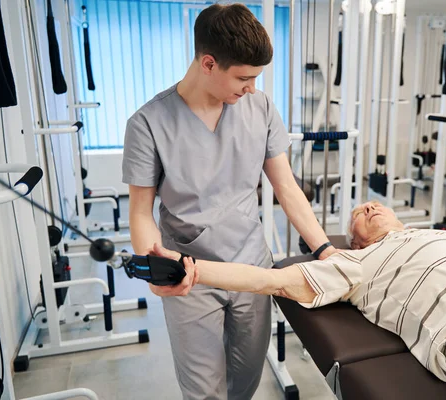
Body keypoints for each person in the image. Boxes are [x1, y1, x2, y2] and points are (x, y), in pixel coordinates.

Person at [152, 201, 446, 400]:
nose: (369, 207)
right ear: (356, 242)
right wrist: (192, 268)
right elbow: (273, 281)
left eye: (374, 205)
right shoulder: (357, 263)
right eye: (359, 214)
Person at [122, 4, 339, 399]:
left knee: (245, 379)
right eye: (243, 77)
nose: (252, 88)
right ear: (208, 63)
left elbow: (287, 188)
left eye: (256, 78)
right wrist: (154, 267)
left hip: (251, 269)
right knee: (205, 391)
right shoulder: (147, 124)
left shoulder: (260, 108)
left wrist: (324, 250)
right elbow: (140, 211)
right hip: (190, 274)